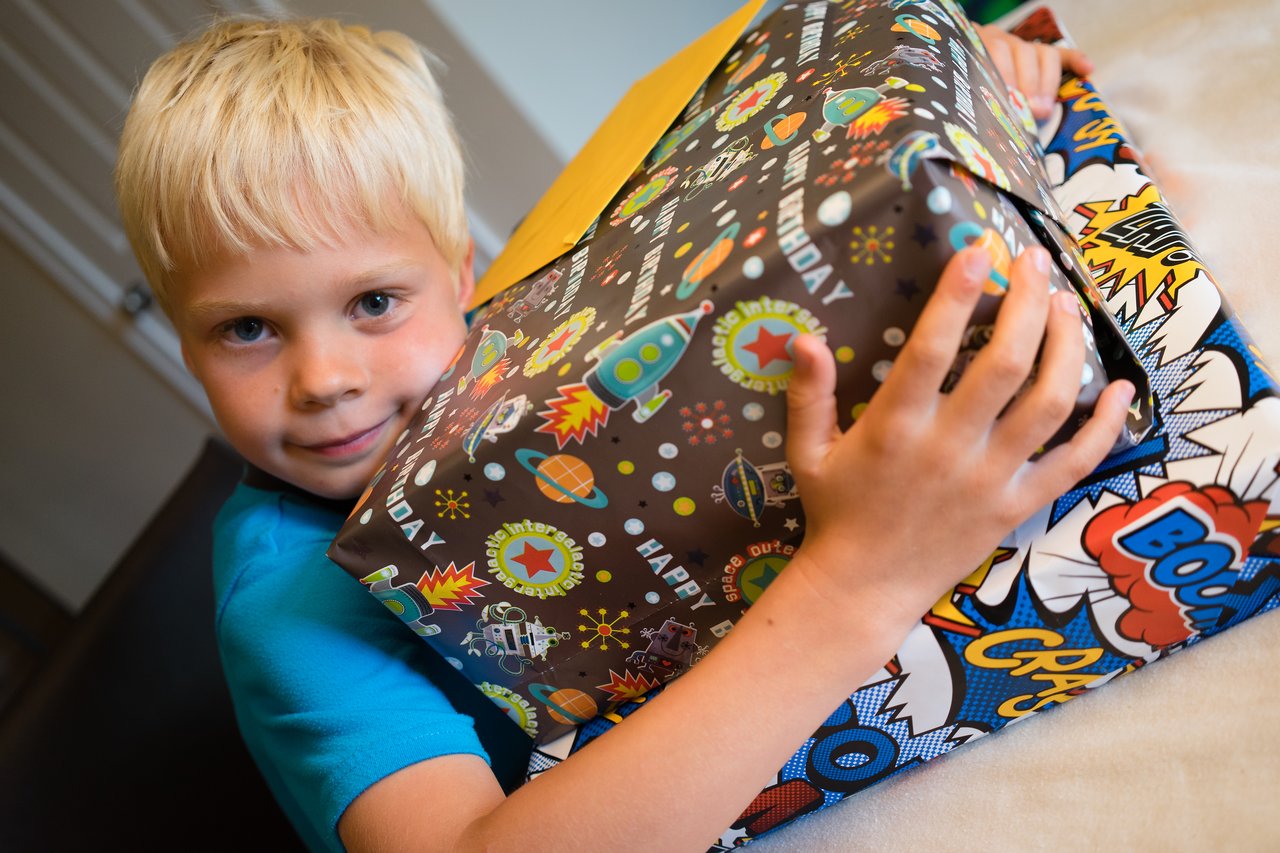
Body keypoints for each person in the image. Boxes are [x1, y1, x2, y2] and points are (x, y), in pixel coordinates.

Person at [113, 12, 1128, 853]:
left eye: (374, 300)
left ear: (463, 273)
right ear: (185, 338)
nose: (325, 378)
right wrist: (857, 580)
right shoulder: (284, 610)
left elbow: (752, 145)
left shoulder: (518, 325)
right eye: (246, 328)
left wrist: (954, 96)